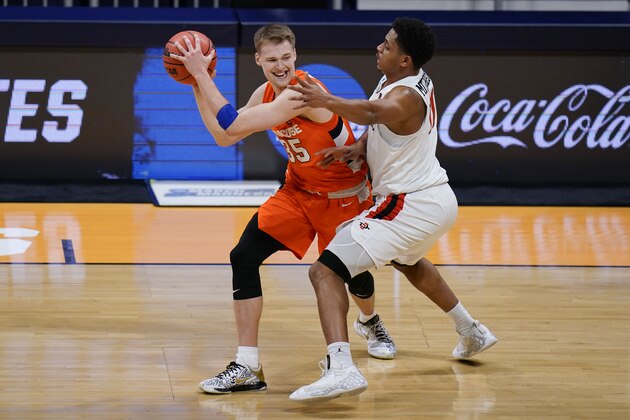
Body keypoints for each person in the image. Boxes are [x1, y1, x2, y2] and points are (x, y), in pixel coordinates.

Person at [169, 23, 397, 395]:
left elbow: (232, 120)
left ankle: (370, 321)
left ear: (296, 56)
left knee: (352, 277)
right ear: (259, 59)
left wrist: (199, 73)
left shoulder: (302, 92)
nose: (281, 65)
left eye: (287, 57)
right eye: (272, 59)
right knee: (243, 256)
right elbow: (224, 136)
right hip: (298, 191)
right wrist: (197, 84)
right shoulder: (265, 92)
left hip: (342, 195)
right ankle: (247, 365)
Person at [287, 17, 498, 401]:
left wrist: (324, 100)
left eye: (387, 45)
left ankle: (342, 369)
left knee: (324, 271)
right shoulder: (402, 80)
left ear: (405, 59)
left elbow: (371, 112)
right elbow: (381, 124)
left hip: (408, 202)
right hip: (434, 197)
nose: (379, 48)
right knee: (408, 261)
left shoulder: (406, 96)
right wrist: (358, 148)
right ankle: (471, 331)